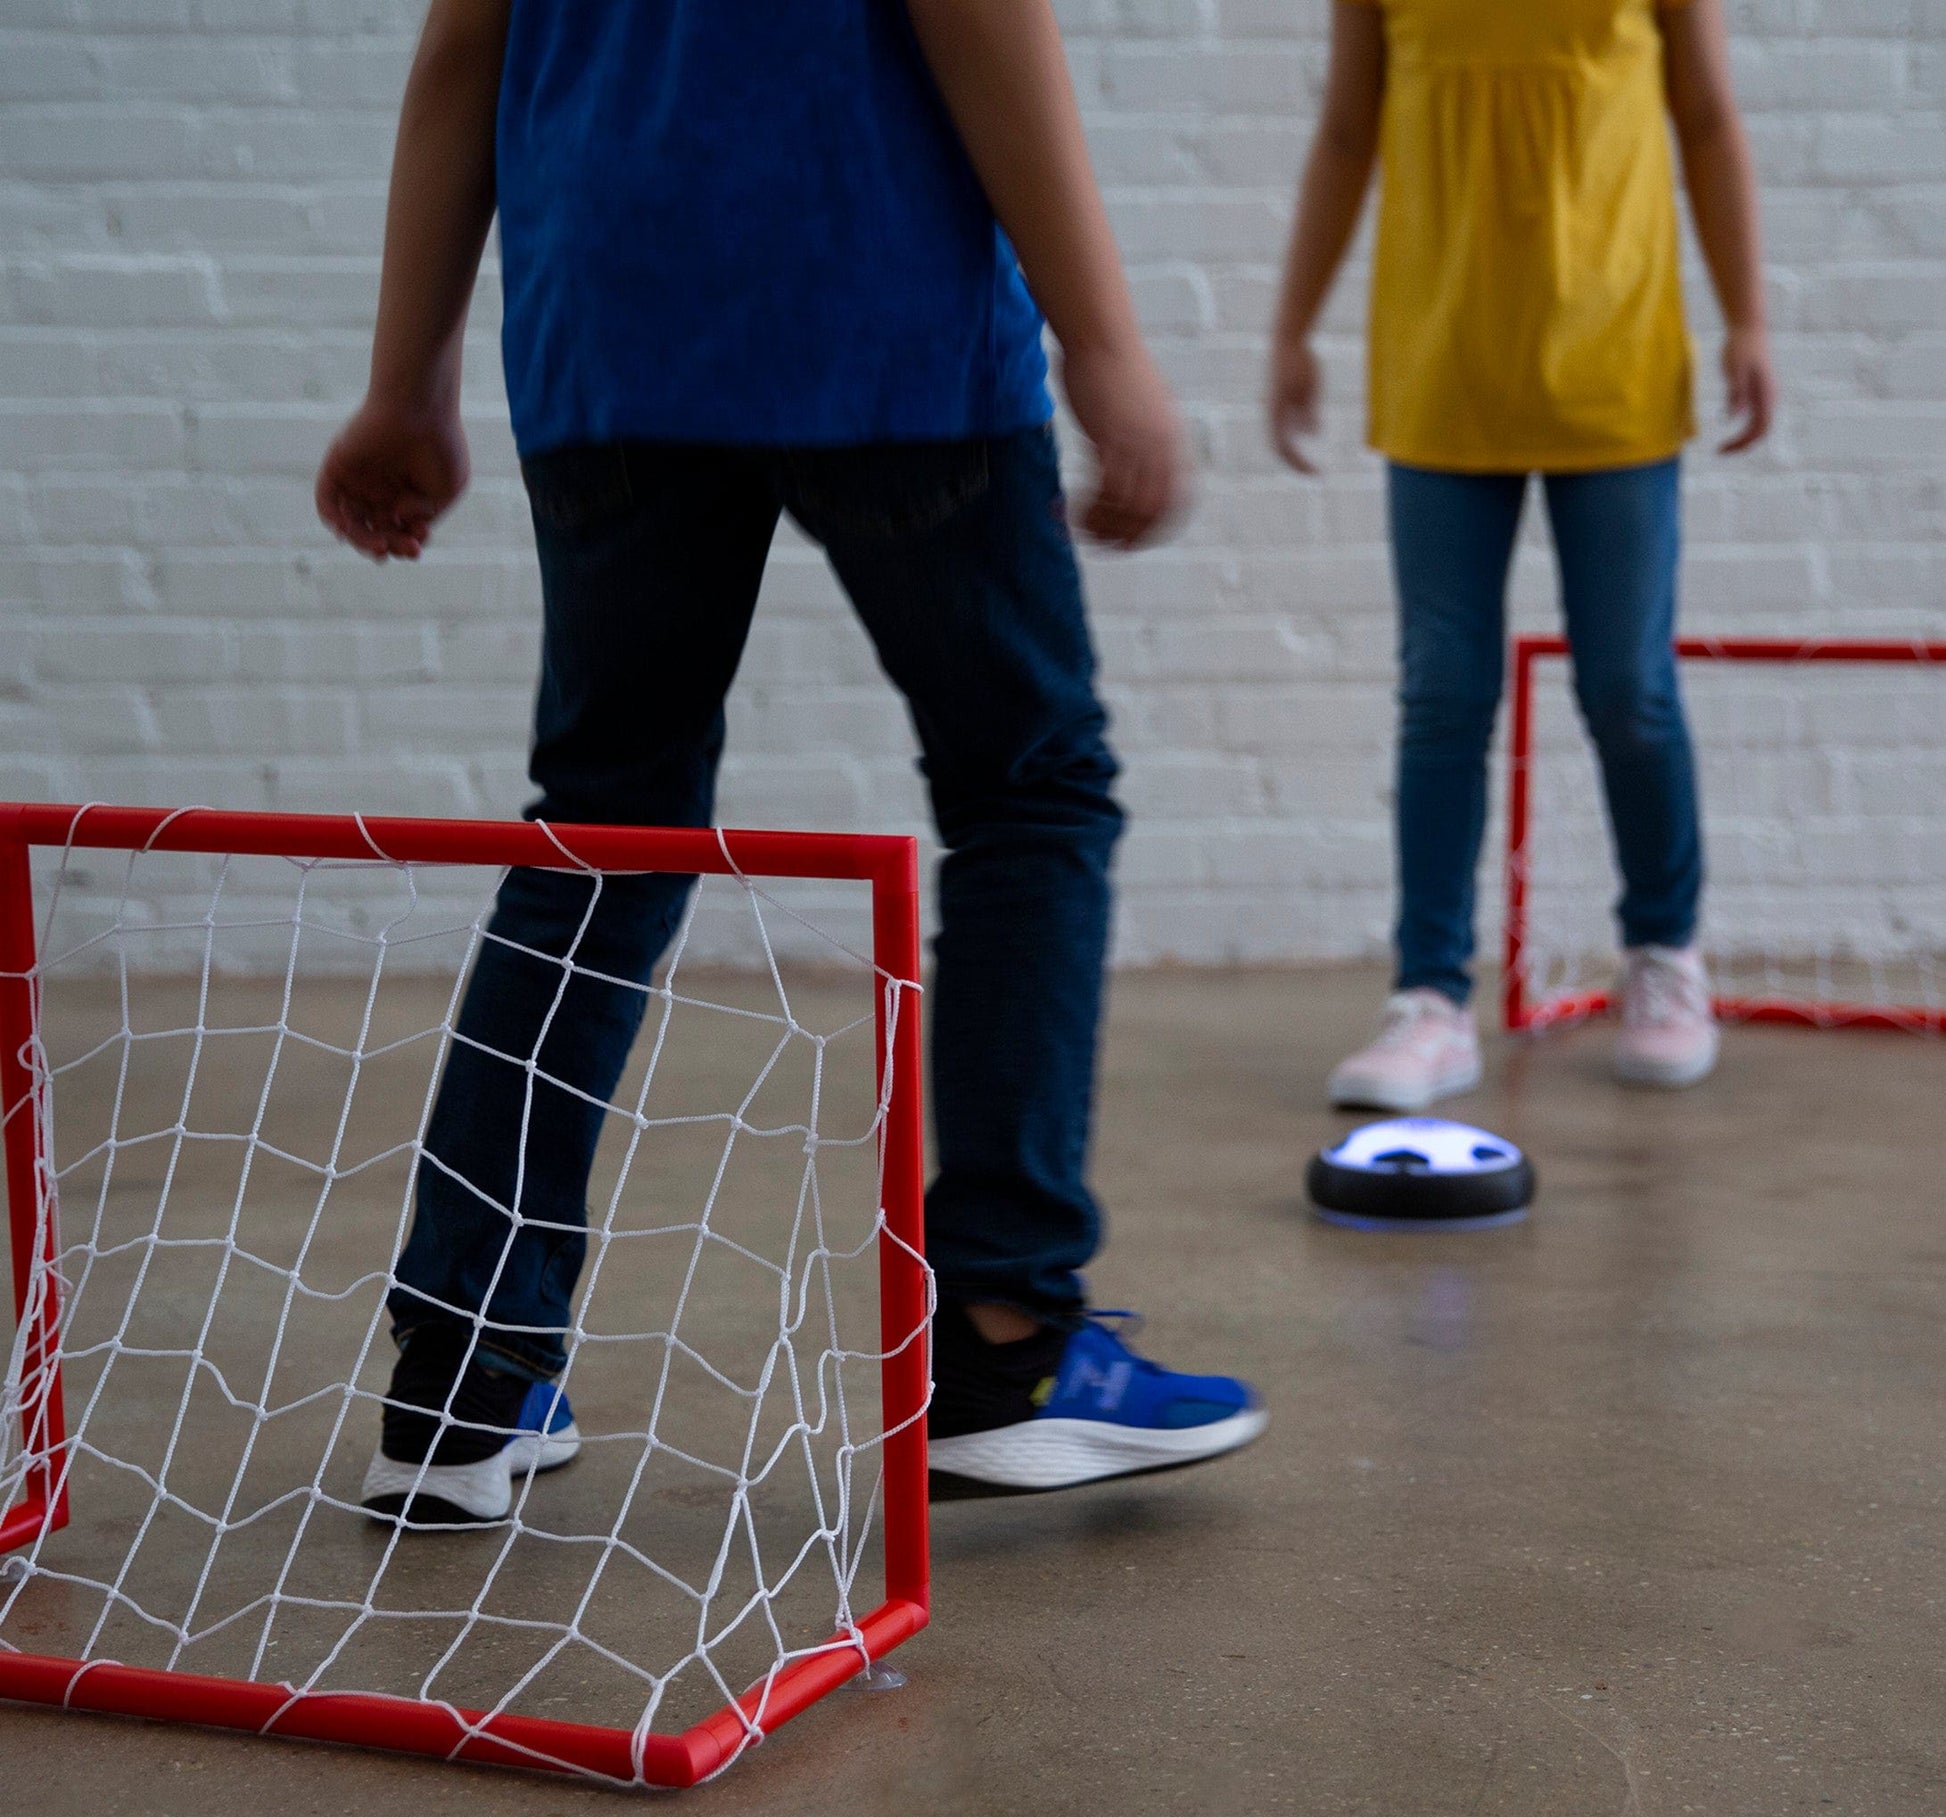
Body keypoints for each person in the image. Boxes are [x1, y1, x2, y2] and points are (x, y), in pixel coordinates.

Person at [316, 0, 1265, 1523]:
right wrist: (1106, 347)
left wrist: (406, 379)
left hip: (608, 328)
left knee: (602, 829)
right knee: (1028, 791)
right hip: (871, 301)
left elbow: (459, 51)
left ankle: (459, 1389)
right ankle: (1007, 1349)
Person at [1269, 0, 1776, 1108]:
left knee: (1627, 687)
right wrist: (1289, 328)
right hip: (1443, 371)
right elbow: (1347, 131)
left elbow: (1703, 115)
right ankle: (1430, 1000)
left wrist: (1746, 318)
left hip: (1615, 369)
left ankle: (1662, 955)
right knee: (1442, 692)